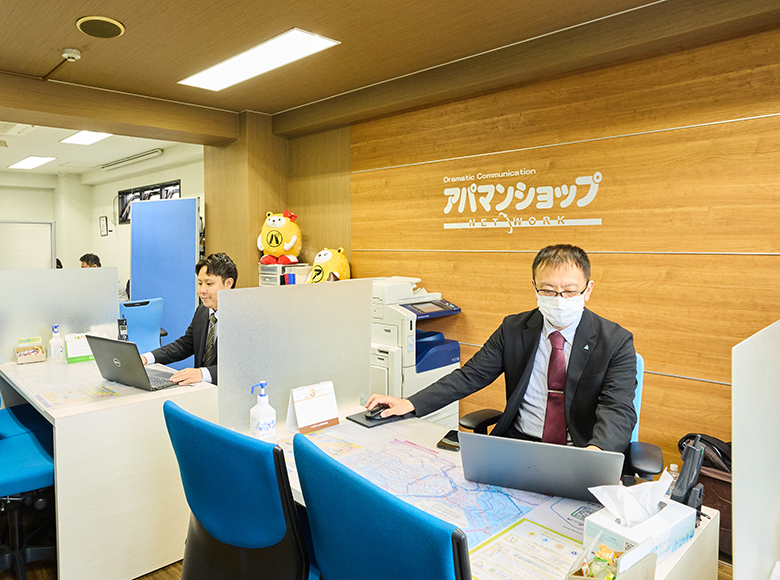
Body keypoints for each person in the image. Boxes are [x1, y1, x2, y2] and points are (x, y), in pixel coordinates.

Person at [366, 244, 637, 453]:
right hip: (517, 443)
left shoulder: (616, 341)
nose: (559, 299)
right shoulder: (513, 328)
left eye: (569, 291)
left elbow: (618, 407)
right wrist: (410, 403)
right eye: (548, 290)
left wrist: (596, 452)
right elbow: (470, 376)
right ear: (534, 288)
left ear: (588, 290)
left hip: (580, 450)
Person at [140, 253, 237, 386]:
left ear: (228, 283)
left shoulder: (243, 318)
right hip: (201, 389)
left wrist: (202, 374)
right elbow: (185, 345)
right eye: (200, 283)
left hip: (229, 390)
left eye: (209, 284)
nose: (202, 290)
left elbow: (243, 366)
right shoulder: (202, 311)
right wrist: (146, 358)